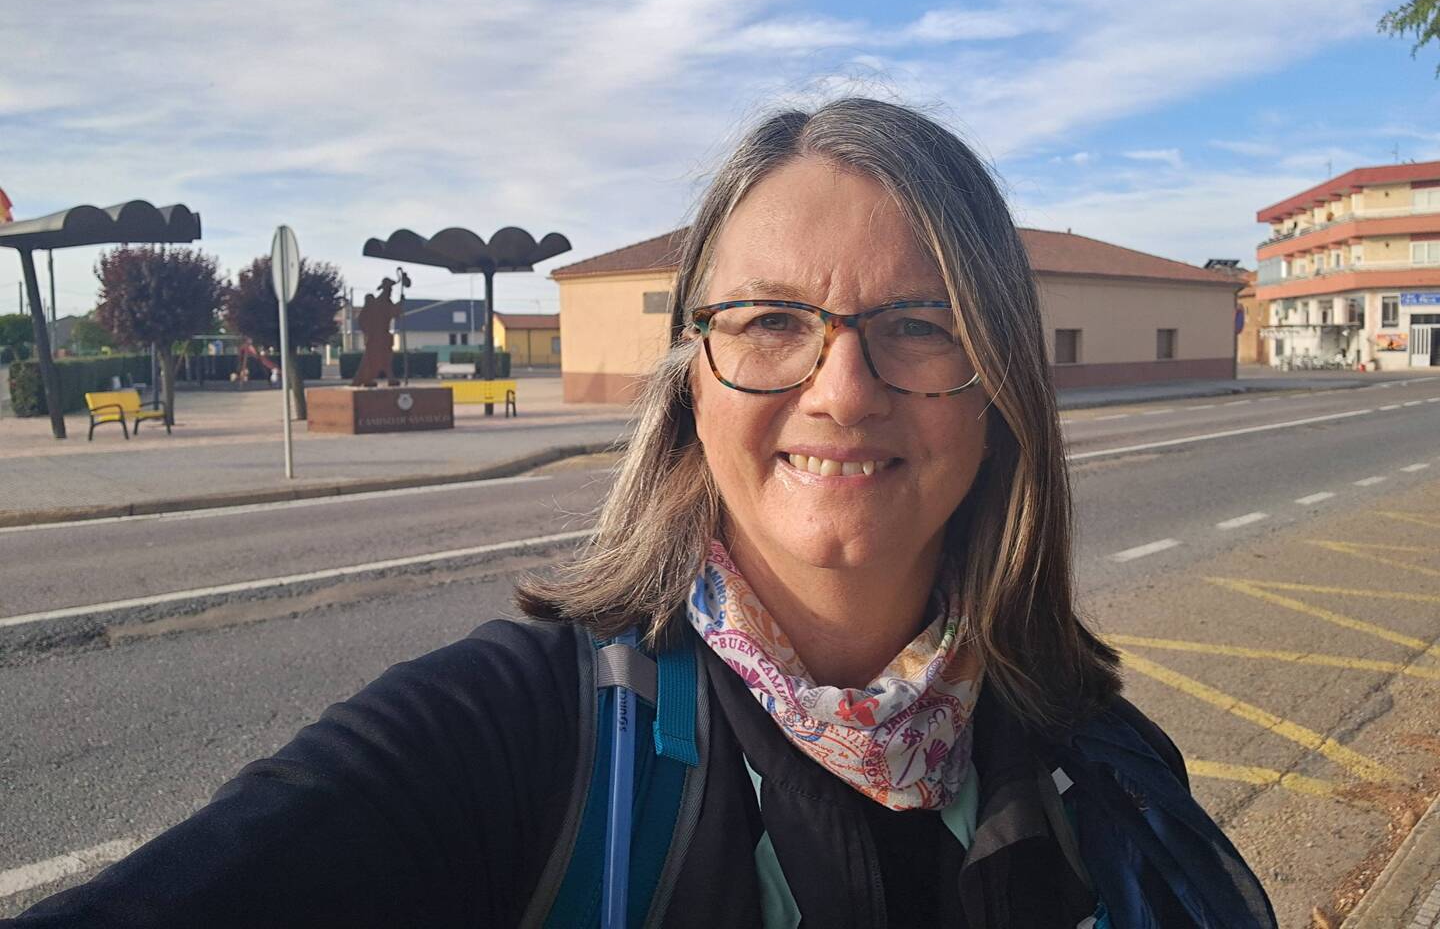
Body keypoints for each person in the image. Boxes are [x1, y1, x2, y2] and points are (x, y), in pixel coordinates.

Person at [4, 98, 1275, 928]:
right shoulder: (521, 742)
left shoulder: (1106, 770)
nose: (842, 389)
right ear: (691, 385)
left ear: (997, 390)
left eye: (918, 324)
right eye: (770, 320)